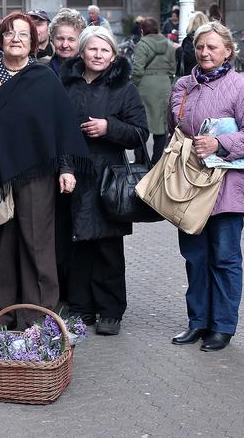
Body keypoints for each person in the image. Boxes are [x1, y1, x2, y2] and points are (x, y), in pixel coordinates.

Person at [0, 12, 90, 328]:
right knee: (2, 244)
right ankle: (4, 312)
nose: (16, 38)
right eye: (9, 33)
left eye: (23, 34)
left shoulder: (44, 78)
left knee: (37, 241)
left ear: (33, 41)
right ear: (0, 40)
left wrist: (66, 168)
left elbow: (61, 127)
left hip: (37, 172)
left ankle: (37, 314)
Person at [168, 21, 244, 352]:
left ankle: (223, 326)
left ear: (228, 50)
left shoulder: (241, 87)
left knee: (224, 258)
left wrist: (220, 143)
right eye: (200, 46)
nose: (205, 52)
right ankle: (198, 321)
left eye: (213, 47)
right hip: (190, 187)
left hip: (226, 187)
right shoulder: (183, 85)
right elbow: (175, 129)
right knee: (195, 257)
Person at [61, 26, 148, 336]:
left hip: (107, 178)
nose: (98, 55)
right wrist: (63, 168)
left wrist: (109, 127)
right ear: (82, 51)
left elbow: (140, 133)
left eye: (105, 50)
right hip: (71, 176)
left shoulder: (124, 88)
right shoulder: (66, 83)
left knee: (108, 248)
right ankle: (81, 306)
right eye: (92, 49)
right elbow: (56, 130)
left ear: (114, 55)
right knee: (78, 247)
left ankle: (111, 310)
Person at [130, 17, 176, 165]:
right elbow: (173, 68)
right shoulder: (169, 45)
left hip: (145, 86)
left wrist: (132, 86)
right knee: (161, 124)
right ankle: (157, 161)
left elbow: (137, 69)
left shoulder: (142, 44)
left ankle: (141, 160)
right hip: (164, 85)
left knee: (140, 123)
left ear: (142, 31)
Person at [43, 8, 86, 75]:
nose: (64, 45)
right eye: (60, 39)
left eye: (71, 39)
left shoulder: (90, 72)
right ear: (52, 39)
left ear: (81, 41)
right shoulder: (42, 72)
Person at [177, 11, 208, 77]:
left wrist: (179, 50)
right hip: (208, 74)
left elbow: (187, 58)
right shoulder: (211, 38)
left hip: (192, 76)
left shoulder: (189, 40)